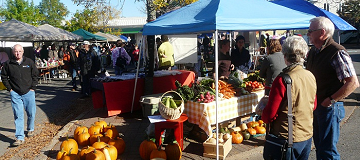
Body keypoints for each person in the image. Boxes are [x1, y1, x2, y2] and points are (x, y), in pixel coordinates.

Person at [305, 17, 359, 160]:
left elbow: (353, 83)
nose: (308, 34)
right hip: (318, 106)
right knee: (320, 147)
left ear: (322, 33)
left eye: (310, 31)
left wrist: (330, 100)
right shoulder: (314, 52)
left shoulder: (336, 52)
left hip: (328, 108)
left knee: (327, 151)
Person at [262, 36, 317, 160]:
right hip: (306, 136)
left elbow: (269, 115)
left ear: (285, 55)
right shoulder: (310, 76)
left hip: (286, 139)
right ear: (304, 55)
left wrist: (262, 110)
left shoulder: (282, 80)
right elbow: (313, 105)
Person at [1, 44, 38, 146]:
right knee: (18, 115)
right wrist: (10, 89)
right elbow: (4, 76)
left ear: (23, 52)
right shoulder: (8, 64)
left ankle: (30, 129)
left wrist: (32, 88)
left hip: (28, 92)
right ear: (13, 52)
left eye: (20, 51)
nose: (18, 53)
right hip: (15, 93)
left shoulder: (29, 62)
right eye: (16, 51)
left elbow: (35, 74)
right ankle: (19, 137)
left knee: (31, 113)